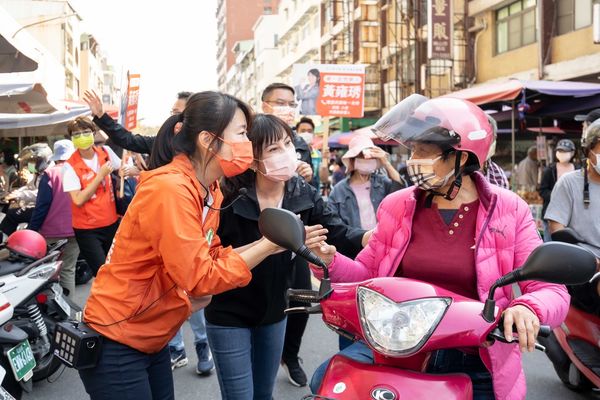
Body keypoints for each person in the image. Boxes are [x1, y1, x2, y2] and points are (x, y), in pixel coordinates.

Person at [309, 96, 570, 400]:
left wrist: (527, 307)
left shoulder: (509, 209)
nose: (412, 160)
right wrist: (328, 260)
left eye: (424, 151)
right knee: (326, 381)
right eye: (412, 150)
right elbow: (367, 273)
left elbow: (550, 289)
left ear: (461, 158)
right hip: (396, 346)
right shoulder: (397, 205)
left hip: (474, 356)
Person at [79, 91, 283, 400]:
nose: (248, 143)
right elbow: (200, 277)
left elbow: (210, 255)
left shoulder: (210, 191)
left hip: (152, 336)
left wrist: (269, 245)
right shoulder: (170, 189)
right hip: (117, 337)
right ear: (207, 139)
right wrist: (267, 246)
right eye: (242, 133)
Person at [204, 114, 367, 398]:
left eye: (287, 144)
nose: (286, 154)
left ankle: (289, 359)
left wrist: (370, 238)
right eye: (273, 149)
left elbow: (339, 231)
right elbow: (211, 254)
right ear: (253, 158)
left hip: (275, 309)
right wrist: (266, 245)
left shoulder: (301, 191)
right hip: (229, 311)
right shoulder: (229, 195)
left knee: (264, 394)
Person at [545, 120, 600, 314]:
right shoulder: (568, 183)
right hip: (585, 268)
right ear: (588, 150)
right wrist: (587, 258)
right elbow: (557, 229)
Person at [63, 117, 121, 276]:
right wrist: (100, 176)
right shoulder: (70, 166)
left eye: (86, 132)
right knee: (103, 274)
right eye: (77, 134)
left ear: (94, 133)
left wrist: (129, 169)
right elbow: (78, 199)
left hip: (111, 223)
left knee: (116, 270)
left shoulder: (105, 152)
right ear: (72, 138)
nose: (82, 136)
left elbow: (122, 168)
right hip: (87, 230)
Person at [28, 140, 80, 296]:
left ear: (55, 157)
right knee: (68, 270)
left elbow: (42, 206)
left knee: (45, 271)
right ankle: (68, 310)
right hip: (76, 230)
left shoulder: (50, 174)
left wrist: (31, 230)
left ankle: (48, 310)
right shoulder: (79, 171)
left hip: (51, 233)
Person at [328, 135, 404, 231]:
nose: (367, 160)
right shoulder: (339, 191)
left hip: (381, 239)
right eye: (362, 156)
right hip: (353, 243)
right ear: (353, 160)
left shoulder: (381, 183)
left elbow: (400, 189)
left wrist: (386, 163)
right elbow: (334, 223)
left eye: (371, 157)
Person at [83, 90, 192, 155]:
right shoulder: (162, 143)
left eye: (176, 113)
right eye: (172, 113)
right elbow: (128, 139)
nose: (172, 118)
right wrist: (101, 115)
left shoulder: (202, 146)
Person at [260, 83, 313, 182]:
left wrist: (307, 178)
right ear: (265, 106)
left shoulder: (300, 143)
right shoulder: (251, 138)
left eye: (292, 104)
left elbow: (309, 186)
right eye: (280, 103)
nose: (287, 108)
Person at [0, 143, 53, 236]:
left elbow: (40, 194)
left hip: (46, 210)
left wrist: (20, 195)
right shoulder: (39, 173)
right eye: (30, 161)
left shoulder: (49, 173)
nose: (31, 163)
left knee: (12, 215)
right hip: (39, 207)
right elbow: (30, 186)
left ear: (43, 160)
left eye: (33, 160)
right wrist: (16, 193)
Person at [539, 139, 576, 241]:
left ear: (572, 153)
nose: (562, 154)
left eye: (565, 152)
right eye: (560, 151)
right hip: (551, 213)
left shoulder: (578, 170)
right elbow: (542, 190)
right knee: (551, 243)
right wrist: (557, 196)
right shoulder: (550, 170)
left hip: (572, 215)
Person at [482, 115, 509, 189]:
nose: (484, 142)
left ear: (495, 138)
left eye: (488, 137)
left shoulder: (498, 174)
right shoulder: (458, 170)